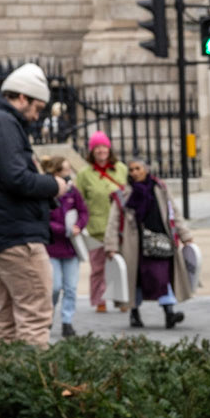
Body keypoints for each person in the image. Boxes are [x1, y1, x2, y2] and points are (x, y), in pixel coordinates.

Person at [0, 64, 64, 345]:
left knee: (8, 320)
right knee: (35, 315)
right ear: (21, 98)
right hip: (16, 233)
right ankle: (33, 386)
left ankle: (2, 385)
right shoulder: (3, 123)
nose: (36, 115)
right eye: (37, 107)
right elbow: (16, 178)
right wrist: (55, 185)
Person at [106, 159, 194, 329]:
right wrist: (111, 247)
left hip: (160, 240)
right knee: (136, 279)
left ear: (146, 169)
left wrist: (185, 236)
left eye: (138, 168)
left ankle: (169, 312)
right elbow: (113, 221)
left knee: (163, 276)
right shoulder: (123, 193)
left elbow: (173, 212)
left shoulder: (159, 188)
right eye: (131, 170)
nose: (134, 172)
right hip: (134, 244)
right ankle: (134, 313)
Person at [74, 131, 128, 312]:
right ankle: (100, 300)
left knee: (120, 265)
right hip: (96, 227)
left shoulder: (121, 169)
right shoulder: (84, 174)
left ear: (109, 148)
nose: (101, 150)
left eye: (103, 146)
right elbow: (78, 200)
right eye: (97, 147)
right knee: (98, 267)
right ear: (92, 151)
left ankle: (122, 299)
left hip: (120, 226)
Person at [41, 156, 87, 339]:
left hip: (71, 248)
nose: (69, 174)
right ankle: (48, 315)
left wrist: (79, 226)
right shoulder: (46, 193)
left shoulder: (73, 191)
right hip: (52, 247)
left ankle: (67, 322)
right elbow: (44, 218)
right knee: (54, 286)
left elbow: (83, 211)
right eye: (66, 170)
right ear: (56, 173)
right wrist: (62, 229)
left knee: (71, 288)